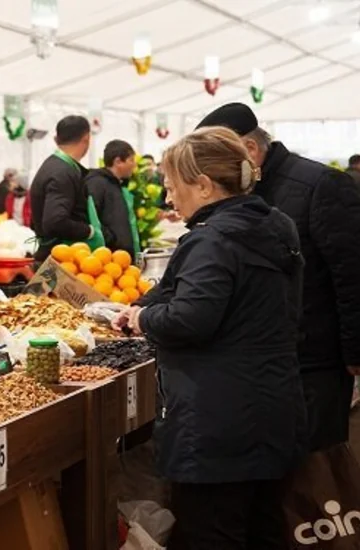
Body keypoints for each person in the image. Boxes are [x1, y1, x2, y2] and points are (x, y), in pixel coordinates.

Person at [114, 126, 306, 550]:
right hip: (274, 411)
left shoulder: (213, 239)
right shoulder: (276, 225)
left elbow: (190, 318)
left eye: (171, 186)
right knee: (263, 529)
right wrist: (143, 305)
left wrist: (144, 320)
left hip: (219, 426)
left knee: (210, 533)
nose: (168, 198)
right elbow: (185, 291)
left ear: (202, 186)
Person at [197, 102, 360, 452]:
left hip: (315, 359)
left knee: (315, 473)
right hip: (265, 359)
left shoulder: (320, 185)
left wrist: (354, 352)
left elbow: (351, 273)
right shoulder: (243, 193)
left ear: (251, 149)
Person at [30, 115, 101, 262]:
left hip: (57, 255)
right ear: (87, 138)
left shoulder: (53, 166)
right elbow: (55, 221)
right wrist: (89, 231)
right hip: (62, 261)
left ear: (56, 140)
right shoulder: (62, 172)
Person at [85, 140, 140, 257]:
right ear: (118, 161)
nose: (134, 165)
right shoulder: (97, 183)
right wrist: (113, 240)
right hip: (108, 257)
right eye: (131, 160)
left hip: (122, 257)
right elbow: (90, 217)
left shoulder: (117, 185)